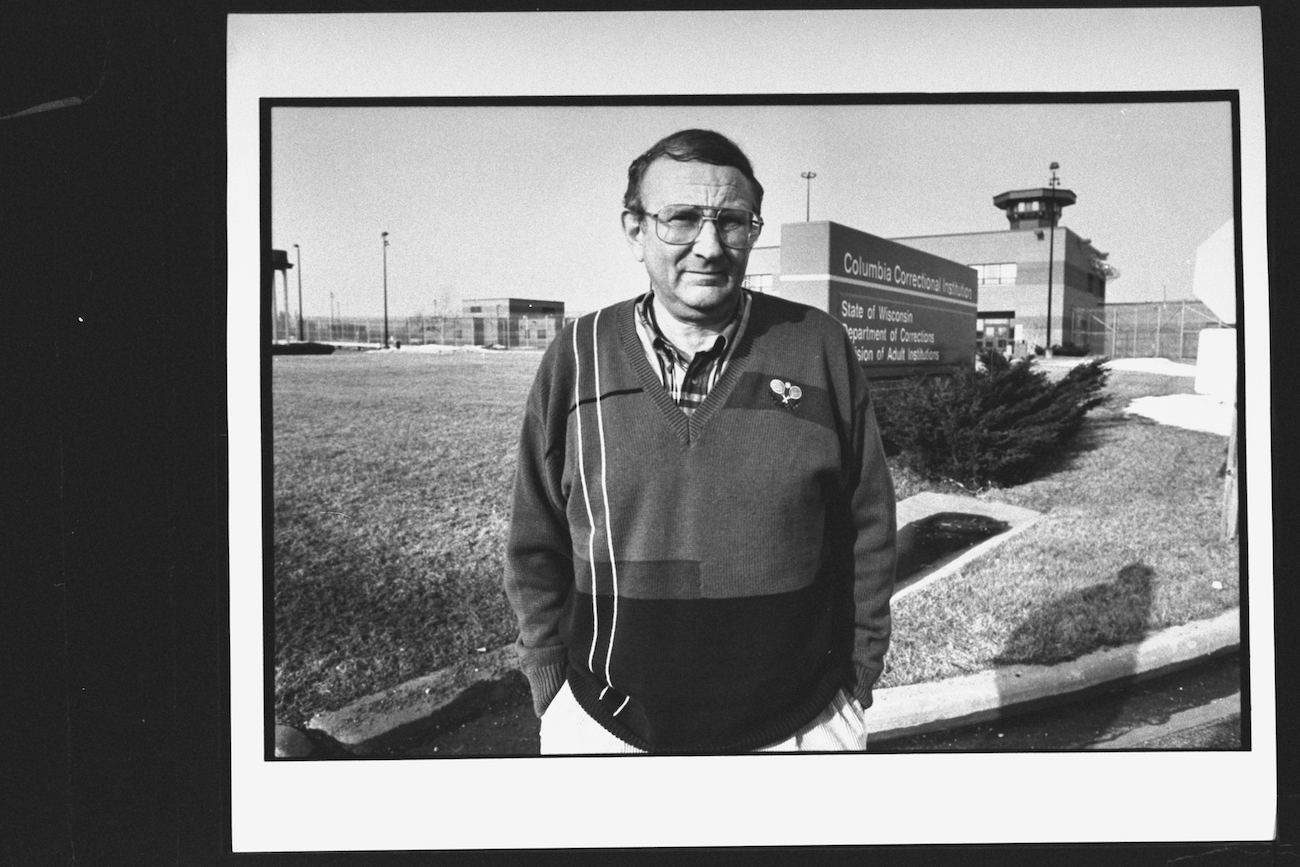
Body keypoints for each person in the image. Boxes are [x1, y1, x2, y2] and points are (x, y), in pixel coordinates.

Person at [503, 128, 896, 754]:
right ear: (634, 229)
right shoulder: (578, 356)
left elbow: (868, 525)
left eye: (732, 222)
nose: (709, 247)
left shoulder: (817, 346)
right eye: (681, 219)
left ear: (753, 229)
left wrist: (856, 676)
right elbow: (535, 539)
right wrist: (550, 684)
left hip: (799, 725)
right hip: (607, 728)